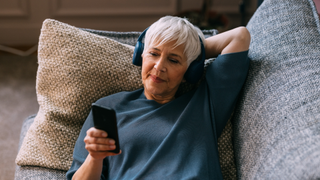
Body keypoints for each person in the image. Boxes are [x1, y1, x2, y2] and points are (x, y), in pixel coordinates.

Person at [66, 15, 250, 180]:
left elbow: (239, 37)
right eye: (153, 54)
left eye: (173, 60)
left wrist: (192, 53)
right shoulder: (109, 107)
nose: (159, 67)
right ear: (140, 55)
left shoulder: (205, 104)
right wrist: (95, 157)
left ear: (191, 70)